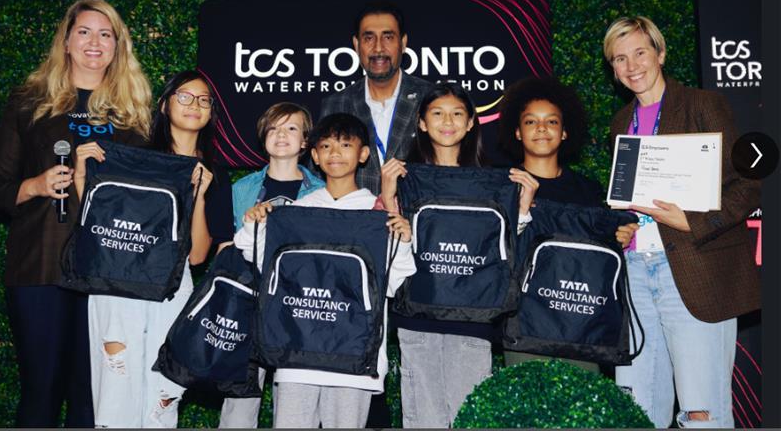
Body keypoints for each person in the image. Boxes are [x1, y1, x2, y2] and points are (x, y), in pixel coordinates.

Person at [0, 0, 152, 427]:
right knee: (41, 392)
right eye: (84, 32)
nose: (94, 42)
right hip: (40, 266)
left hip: (108, 273)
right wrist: (37, 185)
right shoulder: (29, 102)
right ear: (66, 40)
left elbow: (146, 199)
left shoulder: (133, 114)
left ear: (118, 46)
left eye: (105, 34)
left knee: (93, 399)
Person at [604, 16, 760, 428]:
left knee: (701, 413)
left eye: (640, 52)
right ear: (613, 69)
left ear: (660, 53)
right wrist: (626, 227)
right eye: (620, 58)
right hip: (635, 274)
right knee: (636, 413)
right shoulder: (621, 123)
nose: (632, 65)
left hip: (695, 269)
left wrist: (692, 221)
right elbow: (631, 201)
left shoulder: (703, 105)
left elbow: (747, 184)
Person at [236, 113, 416, 428]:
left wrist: (402, 239)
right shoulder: (296, 212)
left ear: (363, 154)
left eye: (346, 145)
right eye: (326, 146)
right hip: (296, 356)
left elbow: (392, 284)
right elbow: (261, 262)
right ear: (315, 156)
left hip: (354, 360)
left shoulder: (377, 216)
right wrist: (256, 222)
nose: (335, 153)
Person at [75, 70, 233, 427]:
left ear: (211, 113)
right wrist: (83, 180)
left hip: (174, 289)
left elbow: (196, 257)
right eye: (184, 96)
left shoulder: (215, 174)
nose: (194, 104)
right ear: (164, 104)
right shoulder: (134, 159)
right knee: (115, 389)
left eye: (203, 99)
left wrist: (201, 196)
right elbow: (103, 232)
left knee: (163, 395)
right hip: (119, 288)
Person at [497, 76, 637, 372]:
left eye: (551, 122)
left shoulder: (588, 190)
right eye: (531, 122)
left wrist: (618, 239)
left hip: (581, 324)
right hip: (526, 327)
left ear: (563, 133)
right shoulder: (502, 186)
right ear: (518, 133)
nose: (542, 129)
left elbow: (598, 259)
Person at [377, 83, 496, 428]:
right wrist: (387, 195)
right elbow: (387, 245)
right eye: (438, 113)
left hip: (472, 313)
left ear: (472, 122)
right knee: (423, 414)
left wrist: (520, 209)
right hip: (419, 310)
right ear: (422, 123)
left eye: (458, 113)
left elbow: (500, 245)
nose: (448, 121)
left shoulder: (491, 181)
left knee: (470, 414)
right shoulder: (402, 178)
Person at [219, 102, 324, 429]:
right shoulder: (241, 190)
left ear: (306, 141)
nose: (282, 135)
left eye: (292, 128)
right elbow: (226, 253)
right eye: (274, 128)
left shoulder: (322, 192)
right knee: (238, 410)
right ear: (263, 136)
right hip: (247, 307)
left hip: (297, 311)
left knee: (297, 412)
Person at [319, 1, 433, 195]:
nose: (378, 48)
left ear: (403, 43)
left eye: (388, 37)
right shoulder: (335, 104)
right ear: (356, 45)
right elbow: (321, 177)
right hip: (355, 220)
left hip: (418, 220)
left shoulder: (430, 99)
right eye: (368, 38)